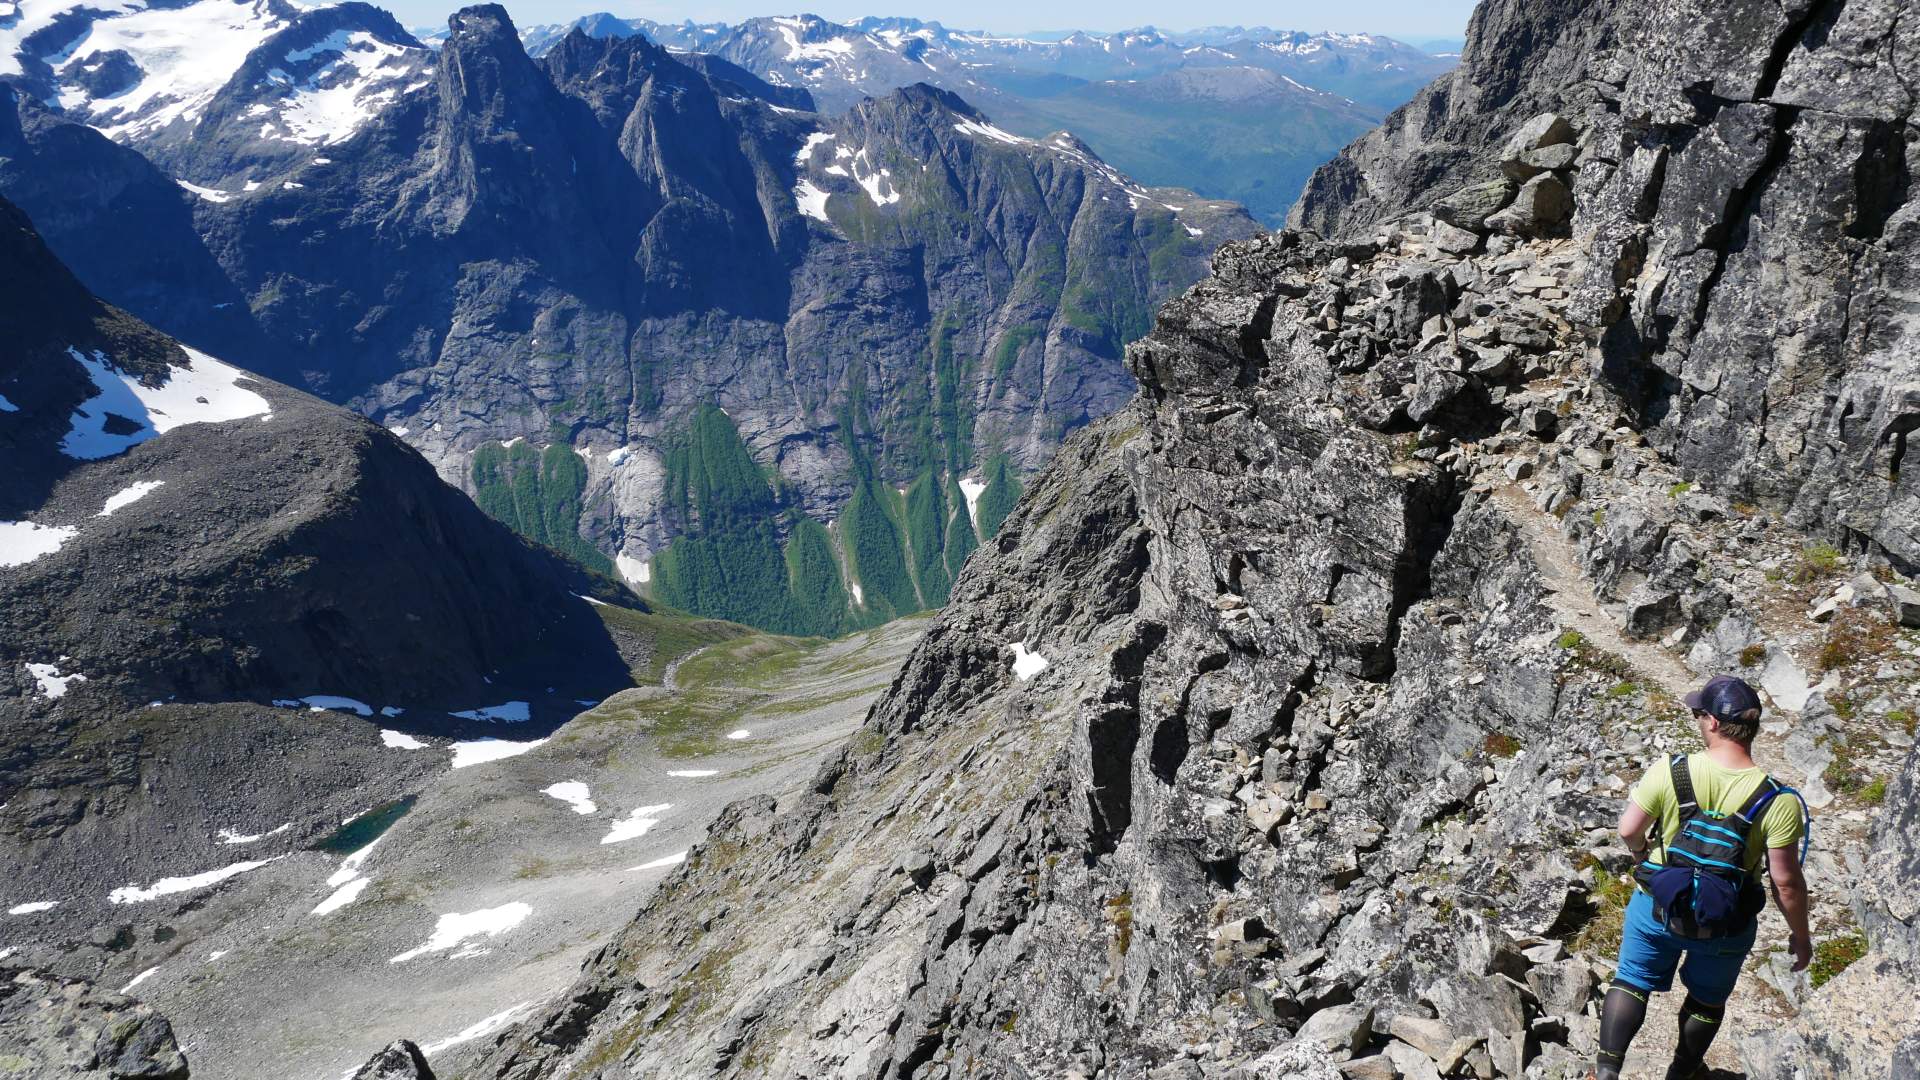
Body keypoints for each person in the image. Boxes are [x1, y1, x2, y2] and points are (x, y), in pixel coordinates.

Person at [1591, 675, 1812, 1080]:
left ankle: (1606, 1070)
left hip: (1657, 905)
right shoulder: (1779, 800)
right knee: (1708, 999)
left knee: (1632, 980)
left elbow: (1628, 829)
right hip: (1725, 920)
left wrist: (1643, 856)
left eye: (1699, 713)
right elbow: (1786, 882)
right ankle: (1683, 1071)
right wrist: (1800, 935)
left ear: (1712, 722)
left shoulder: (1672, 770)